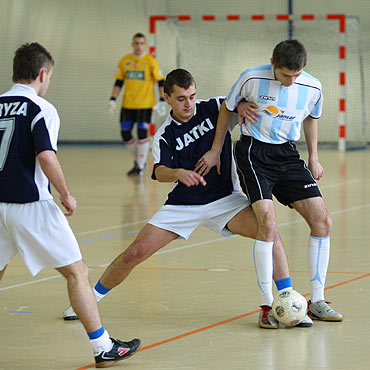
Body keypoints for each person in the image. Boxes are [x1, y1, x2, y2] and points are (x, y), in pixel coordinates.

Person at [63, 68, 311, 329]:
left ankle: (288, 303)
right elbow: (159, 171)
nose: (188, 104)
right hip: (183, 206)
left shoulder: (215, 107)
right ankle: (87, 300)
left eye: (192, 96)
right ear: (166, 97)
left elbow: (244, 105)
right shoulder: (164, 135)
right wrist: (179, 173)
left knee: (269, 231)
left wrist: (253, 104)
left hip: (225, 199)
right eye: (181, 98)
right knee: (134, 253)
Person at [0, 42, 140, 368]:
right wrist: (65, 192)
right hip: (30, 204)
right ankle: (103, 347)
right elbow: (46, 155)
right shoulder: (40, 108)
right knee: (77, 272)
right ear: (43, 74)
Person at [196, 40, 343, 322]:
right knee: (268, 224)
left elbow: (311, 118)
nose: (291, 81)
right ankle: (267, 306)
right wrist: (215, 151)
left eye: (297, 75)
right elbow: (227, 109)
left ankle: (318, 299)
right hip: (253, 152)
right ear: (273, 63)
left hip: (288, 154)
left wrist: (313, 157)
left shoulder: (313, 87)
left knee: (323, 221)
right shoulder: (251, 78)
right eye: (286, 75)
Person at [109, 32, 166, 176]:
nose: (139, 46)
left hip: (145, 105)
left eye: (141, 43)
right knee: (125, 133)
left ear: (145, 45)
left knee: (142, 133)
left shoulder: (150, 61)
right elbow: (119, 82)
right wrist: (113, 99)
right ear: (132, 44)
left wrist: (162, 100)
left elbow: (161, 82)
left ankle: (140, 166)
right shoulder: (125, 61)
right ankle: (140, 159)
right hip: (127, 104)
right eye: (136, 43)